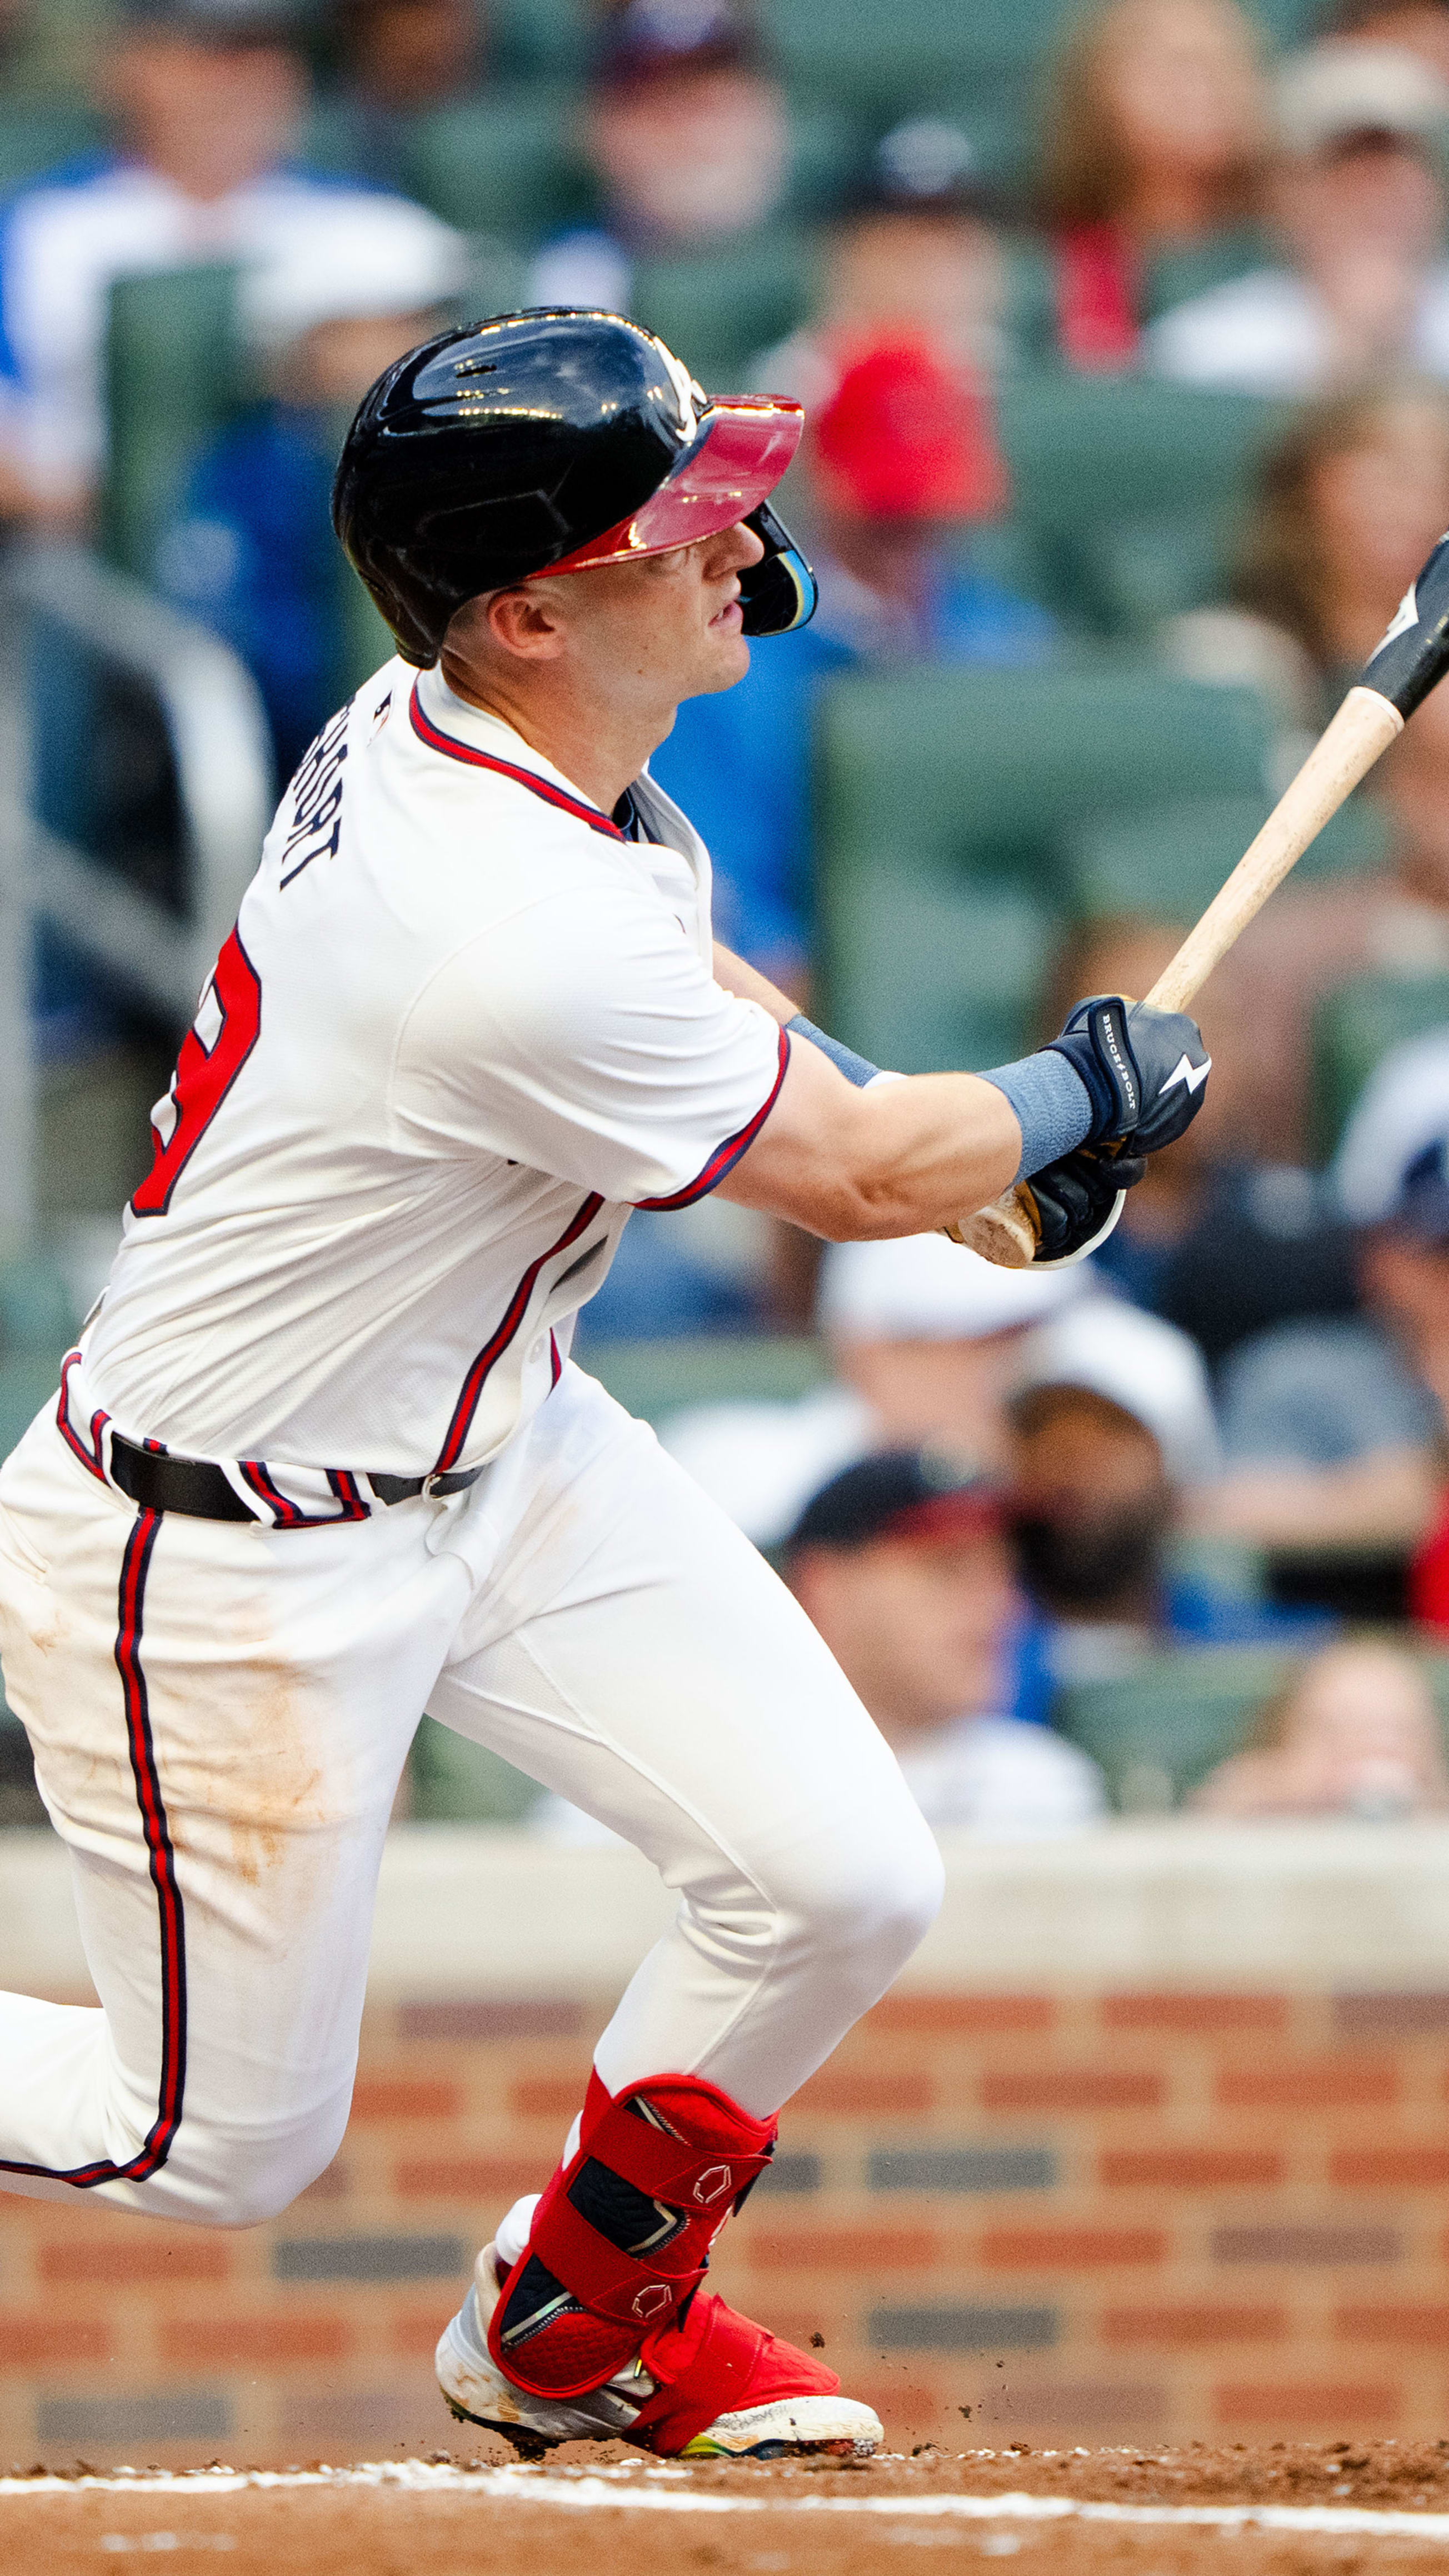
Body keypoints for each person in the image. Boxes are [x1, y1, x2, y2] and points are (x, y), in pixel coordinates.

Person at [0, 309, 1210, 2462]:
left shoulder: (515, 758)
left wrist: (1002, 1174)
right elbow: (840, 1174)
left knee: (839, 1873)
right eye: (675, 523)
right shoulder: (486, 908)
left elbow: (711, 1000)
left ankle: (573, 2317)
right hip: (221, 1543)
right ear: (528, 603)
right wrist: (1051, 1095)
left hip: (494, 1443)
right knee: (202, 2141)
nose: (733, 542)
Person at [648, 334, 1053, 992]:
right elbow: (723, 894)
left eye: (930, 516)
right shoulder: (731, 665)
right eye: (888, 516)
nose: (909, 543)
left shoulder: (1008, 639)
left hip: (1006, 978)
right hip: (808, 1000)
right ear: (832, 484)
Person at [0, 0, 440, 524]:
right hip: (96, 560)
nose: (238, 83)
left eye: (262, 51)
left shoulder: (379, 227)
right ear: (130, 64)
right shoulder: (37, 229)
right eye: (207, 53)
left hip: (328, 553)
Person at [156, 195, 467, 783]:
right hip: (323, 774)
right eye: (380, 326)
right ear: (300, 349)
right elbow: (232, 653)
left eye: (423, 320)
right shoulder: (243, 471)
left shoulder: (477, 447)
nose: (417, 346)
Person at [662, 1229, 1093, 1552]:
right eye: (976, 1346)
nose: (1011, 1374)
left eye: (1024, 1342)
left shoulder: (1052, 1500)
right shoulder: (738, 1468)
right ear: (868, 1353)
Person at [1210, 1034, 1449, 1558]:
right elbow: (1210, 1524)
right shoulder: (1300, 1375)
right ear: (1376, 1249)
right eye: (1440, 1252)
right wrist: (1379, 1499)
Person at [782, 1451, 1107, 1834]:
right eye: (947, 1569)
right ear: (825, 1589)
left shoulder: (1046, 1785)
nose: (999, 1605)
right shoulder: (743, 1782)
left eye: (1002, 1573)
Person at [1007, 1300, 1323, 1687]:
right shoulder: (969, 1653)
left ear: (1177, 1471)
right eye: (1042, 1433)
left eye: (1109, 1437)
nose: (1071, 1464)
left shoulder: (1266, 1660)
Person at [1150, 41, 1449, 395]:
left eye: (1400, 164)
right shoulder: (1201, 355)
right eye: (1348, 164)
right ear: (1287, 191)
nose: (1379, 192)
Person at [1036, 0, 1266, 370]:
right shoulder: (1054, 267)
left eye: (1221, 65)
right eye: (1177, 66)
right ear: (1098, 87)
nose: (1203, 89)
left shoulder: (1287, 252)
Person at [523, 0, 788, 318]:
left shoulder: (843, 237)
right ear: (600, 129)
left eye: (711, 102)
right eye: (662, 108)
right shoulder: (572, 277)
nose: (694, 134)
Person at [1191, 1636, 1449, 1813]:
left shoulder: (1436, 1809)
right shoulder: (1256, 1799)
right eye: (1333, 1733)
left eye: (1401, 1732)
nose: (1371, 1747)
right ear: (1282, 1743)